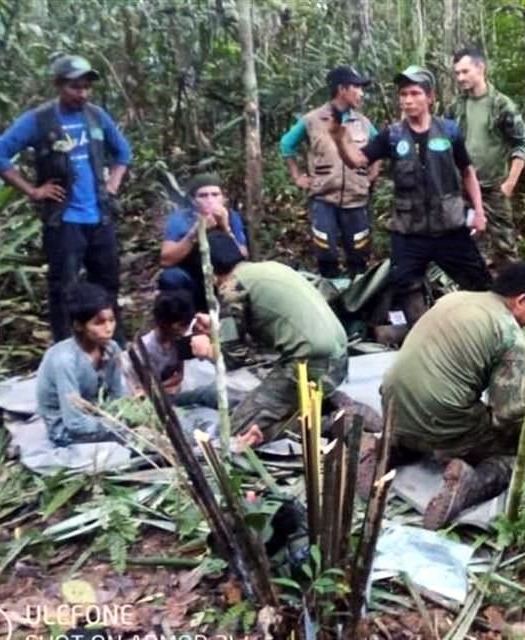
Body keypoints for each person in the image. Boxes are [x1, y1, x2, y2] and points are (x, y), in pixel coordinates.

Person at [378, 263, 525, 529]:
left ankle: (388, 450)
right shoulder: (509, 334)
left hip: (392, 407)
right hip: (439, 420)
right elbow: (510, 414)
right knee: (524, 454)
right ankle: (469, 485)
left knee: (441, 412)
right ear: (521, 300)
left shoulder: (455, 299)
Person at [0, 54, 132, 342]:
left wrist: (112, 185)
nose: (83, 93)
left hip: (99, 217)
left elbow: (123, 152)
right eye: (75, 87)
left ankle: (115, 347)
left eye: (86, 87)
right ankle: (67, 349)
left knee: (108, 285)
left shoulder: (96, 116)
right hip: (64, 221)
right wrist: (33, 190)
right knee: (63, 288)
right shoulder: (38, 121)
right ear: (58, 85)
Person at [330, 65, 490, 327]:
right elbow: (357, 160)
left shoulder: (449, 131)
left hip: (450, 227)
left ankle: (485, 331)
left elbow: (468, 172)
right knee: (405, 283)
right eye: (403, 94)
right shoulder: (391, 136)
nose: (407, 100)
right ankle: (423, 332)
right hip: (409, 230)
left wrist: (479, 212)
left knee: (480, 283)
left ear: (430, 97)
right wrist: (339, 138)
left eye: (415, 93)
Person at [189, 233, 349, 447]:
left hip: (309, 365)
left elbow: (232, 358)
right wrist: (217, 328)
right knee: (267, 401)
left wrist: (207, 349)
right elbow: (263, 334)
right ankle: (323, 405)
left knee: (237, 432)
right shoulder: (269, 269)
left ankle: (328, 423)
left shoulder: (231, 288)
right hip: (338, 360)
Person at [279, 65, 380, 277]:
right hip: (324, 198)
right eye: (357, 87)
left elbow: (379, 146)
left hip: (356, 199)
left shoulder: (363, 122)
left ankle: (358, 297)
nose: (361, 93)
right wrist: (297, 176)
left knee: (359, 252)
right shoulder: (312, 120)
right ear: (342, 89)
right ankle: (329, 294)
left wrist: (372, 174)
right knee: (325, 251)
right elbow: (286, 145)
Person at [449, 46, 525, 270]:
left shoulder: (502, 105)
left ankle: (512, 296)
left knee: (504, 246)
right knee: (464, 245)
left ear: (480, 68)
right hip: (463, 188)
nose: (460, 78)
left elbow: (521, 142)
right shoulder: (456, 106)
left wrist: (510, 183)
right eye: (457, 73)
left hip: (494, 187)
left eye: (465, 72)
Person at [36, 282, 128, 447]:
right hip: (66, 428)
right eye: (99, 323)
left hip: (100, 415)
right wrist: (117, 426)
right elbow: (74, 422)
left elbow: (118, 395)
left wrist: (126, 416)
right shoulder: (65, 361)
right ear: (78, 325)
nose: (108, 329)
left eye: (112, 320)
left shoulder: (112, 348)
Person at [159, 174, 249, 311]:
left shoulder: (231, 216)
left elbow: (243, 256)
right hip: (192, 277)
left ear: (223, 198)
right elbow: (166, 260)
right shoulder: (181, 219)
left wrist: (226, 228)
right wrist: (194, 233)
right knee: (171, 278)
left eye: (215, 194)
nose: (210, 200)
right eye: (203, 196)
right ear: (194, 201)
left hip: (224, 279)